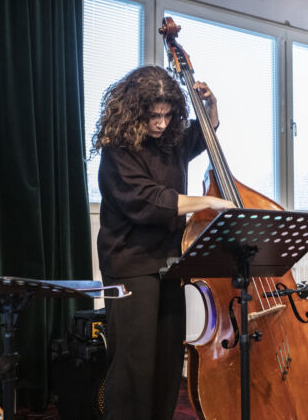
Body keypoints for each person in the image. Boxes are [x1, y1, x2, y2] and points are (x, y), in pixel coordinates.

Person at [91, 65, 235, 420]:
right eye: (153, 116)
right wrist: (206, 201)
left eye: (168, 115)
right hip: (130, 262)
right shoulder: (118, 149)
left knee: (168, 360)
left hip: (170, 261)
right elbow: (148, 200)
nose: (160, 123)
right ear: (134, 111)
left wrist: (211, 107)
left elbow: (203, 135)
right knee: (134, 364)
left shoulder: (171, 139)